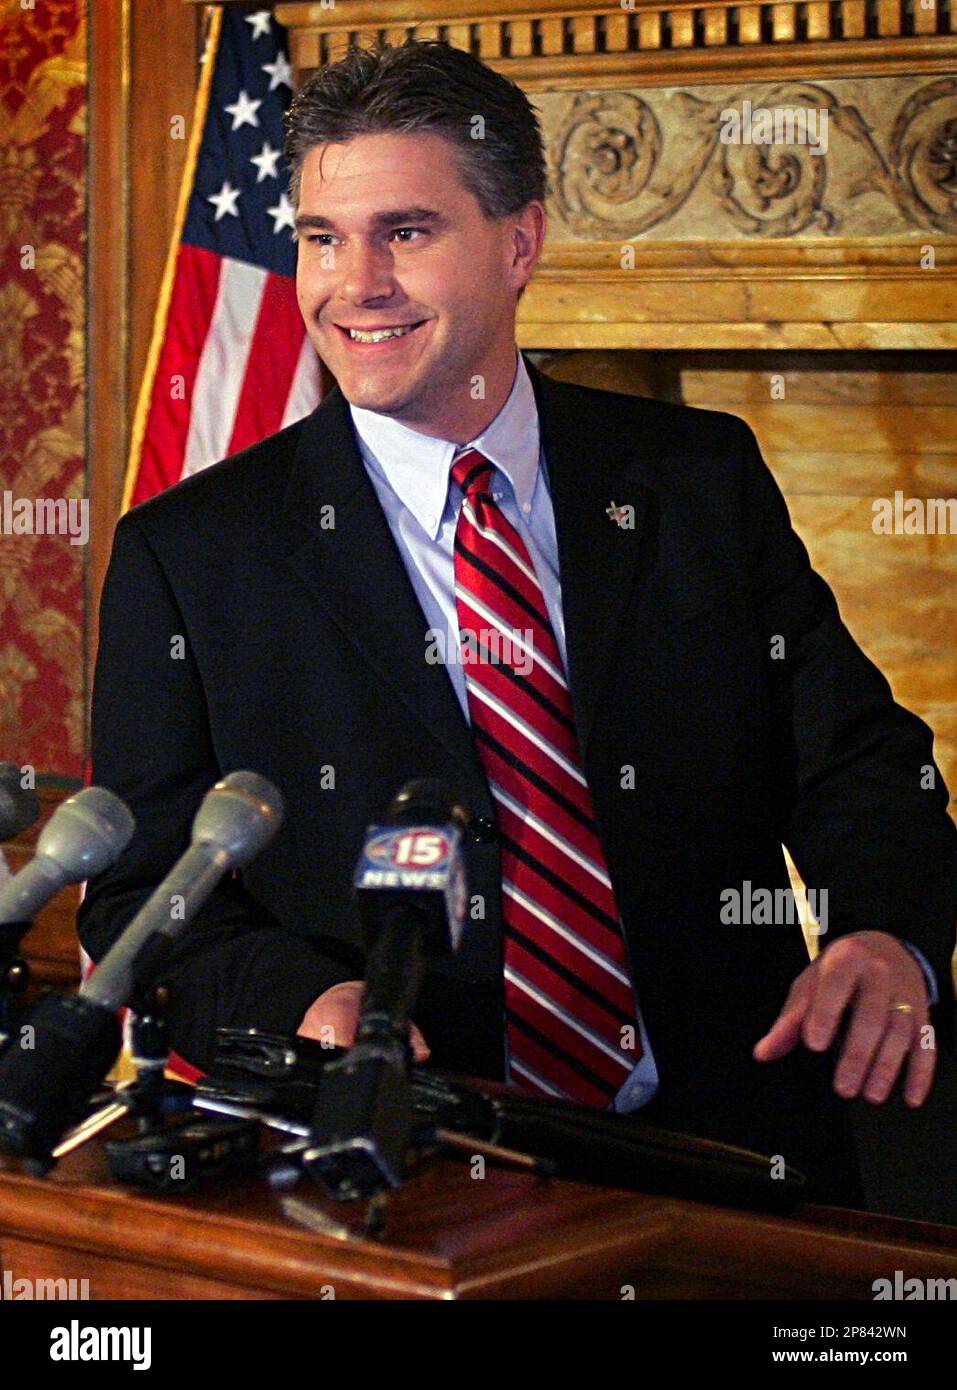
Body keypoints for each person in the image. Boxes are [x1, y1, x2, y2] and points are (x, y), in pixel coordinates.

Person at [79, 40, 957, 1207]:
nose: (356, 284)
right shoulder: (190, 557)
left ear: (522, 242)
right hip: (411, 1175)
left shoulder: (696, 477)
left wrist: (889, 936)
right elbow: (147, 894)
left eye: (407, 231)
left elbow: (862, 761)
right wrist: (307, 1002)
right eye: (323, 239)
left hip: (734, 1164)